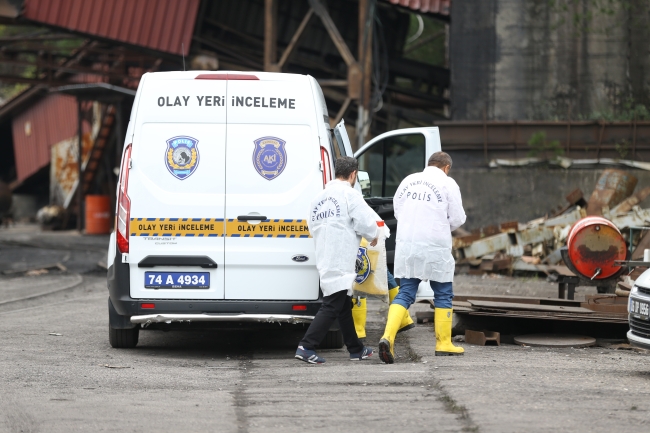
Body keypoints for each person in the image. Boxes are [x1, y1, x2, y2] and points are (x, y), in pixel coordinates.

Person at [378, 151, 466, 363]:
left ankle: (387, 337)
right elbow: (457, 219)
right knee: (443, 292)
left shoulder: (409, 180)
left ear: (429, 164)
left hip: (409, 245)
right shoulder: (448, 183)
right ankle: (443, 343)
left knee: (406, 291)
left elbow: (397, 210)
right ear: (446, 167)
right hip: (435, 246)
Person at [295, 156, 379, 364]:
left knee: (342, 304)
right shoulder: (350, 195)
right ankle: (306, 346)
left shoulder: (320, 197)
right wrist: (374, 235)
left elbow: (311, 224)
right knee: (332, 304)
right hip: (341, 256)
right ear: (353, 175)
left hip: (325, 253)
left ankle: (355, 349)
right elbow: (365, 222)